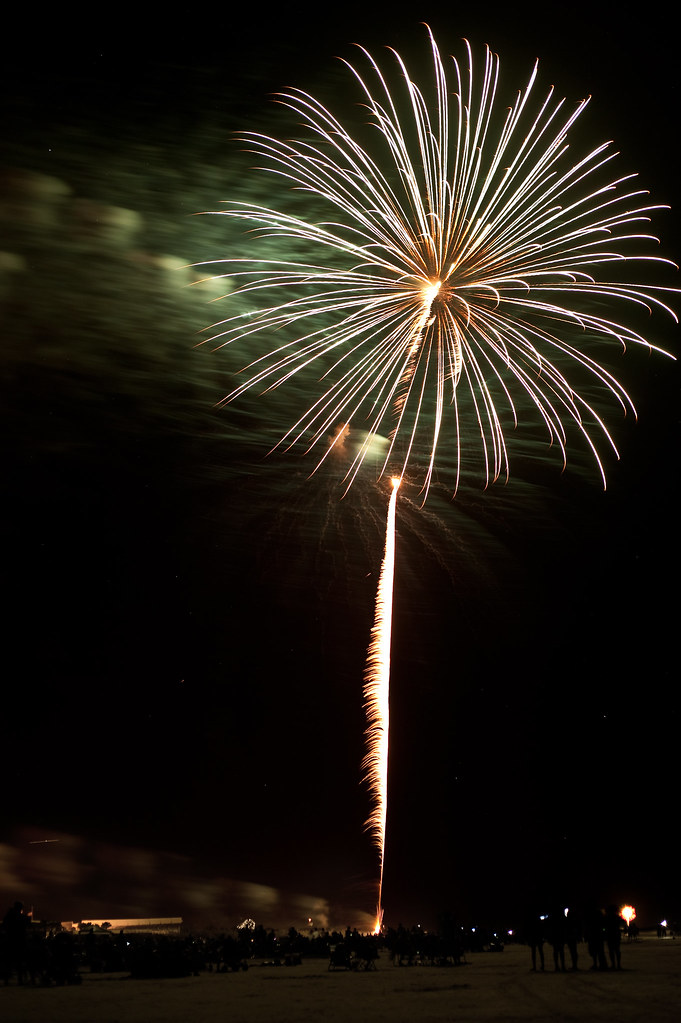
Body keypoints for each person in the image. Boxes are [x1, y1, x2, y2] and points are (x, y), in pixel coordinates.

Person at [2, 902, 31, 984]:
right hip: (20, 941)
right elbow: (28, 924)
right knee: (20, 961)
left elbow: (4, 926)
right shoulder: (21, 917)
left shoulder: (8, 916)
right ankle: (20, 979)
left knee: (8, 961)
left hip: (10, 940)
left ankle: (6, 980)